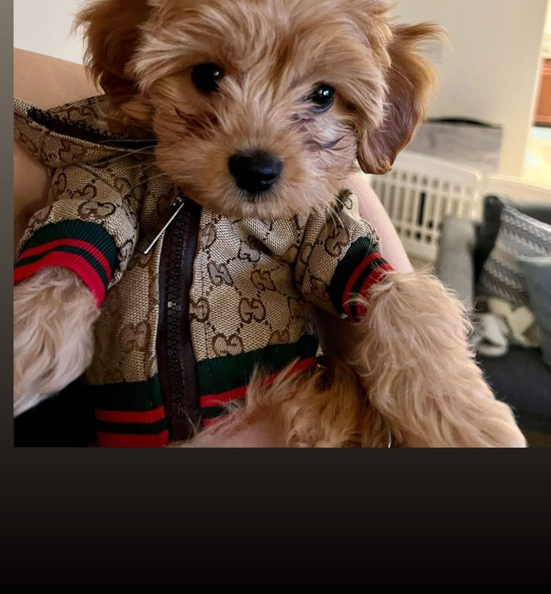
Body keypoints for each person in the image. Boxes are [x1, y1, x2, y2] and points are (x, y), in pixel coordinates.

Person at [14, 48, 413, 447]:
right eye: (209, 77)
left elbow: (355, 260)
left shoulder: (313, 210)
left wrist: (401, 308)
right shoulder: (112, 167)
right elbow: (91, 218)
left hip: (287, 420)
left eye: (319, 96)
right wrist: (55, 298)